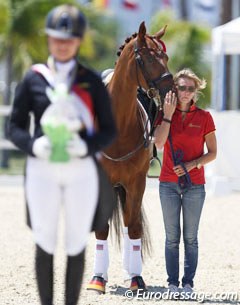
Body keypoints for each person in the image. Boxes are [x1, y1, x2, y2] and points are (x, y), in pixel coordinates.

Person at [8, 4, 116, 305]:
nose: (62, 44)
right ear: (49, 39)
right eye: (57, 38)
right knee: (44, 239)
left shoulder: (92, 81)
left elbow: (109, 131)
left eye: (69, 39)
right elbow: (13, 127)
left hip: (81, 170)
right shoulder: (33, 79)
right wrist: (33, 145)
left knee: (74, 240)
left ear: (79, 41)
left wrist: (88, 146)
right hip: (42, 168)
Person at [154, 68, 217, 295]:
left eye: (191, 88)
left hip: (195, 185)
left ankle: (188, 283)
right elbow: (159, 144)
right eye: (181, 87)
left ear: (195, 91)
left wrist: (192, 165)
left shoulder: (204, 117)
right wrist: (168, 115)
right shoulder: (163, 114)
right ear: (175, 89)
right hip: (167, 184)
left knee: (191, 238)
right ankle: (172, 283)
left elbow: (212, 153)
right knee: (172, 238)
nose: (186, 92)